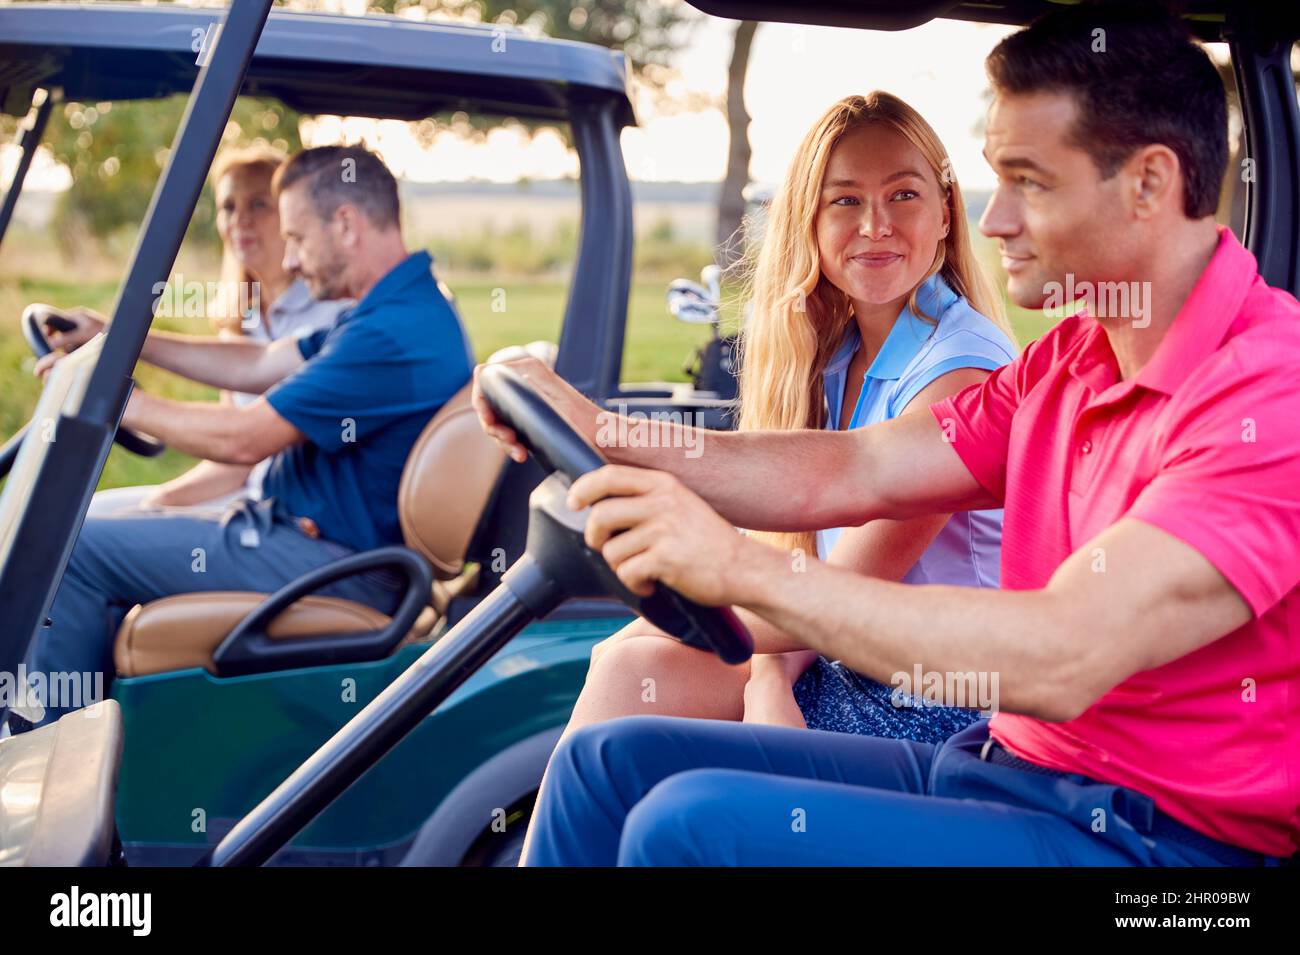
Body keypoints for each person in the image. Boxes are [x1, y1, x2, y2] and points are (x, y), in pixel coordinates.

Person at [477, 2, 1300, 866]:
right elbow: (855, 468)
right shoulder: (1073, 353)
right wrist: (600, 430)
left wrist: (733, 566)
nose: (994, 222)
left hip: (1158, 845)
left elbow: (1066, 653)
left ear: (1149, 184)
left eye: (1030, 182)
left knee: (688, 825)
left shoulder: (1268, 394)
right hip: (1007, 772)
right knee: (608, 763)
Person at [547, 92, 1016, 768]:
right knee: (625, 670)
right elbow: (800, 566)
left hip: (941, 705)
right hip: (844, 658)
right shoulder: (840, 359)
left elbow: (841, 593)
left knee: (630, 671)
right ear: (811, 223)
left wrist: (765, 679)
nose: (876, 225)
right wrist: (768, 675)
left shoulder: (961, 373)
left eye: (904, 195)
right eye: (846, 201)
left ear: (945, 213)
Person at [8, 144, 473, 731]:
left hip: (332, 563)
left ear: (347, 225)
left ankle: (54, 773)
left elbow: (243, 440)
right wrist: (119, 338)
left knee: (67, 547)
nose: (295, 261)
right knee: (87, 533)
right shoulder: (391, 308)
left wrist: (113, 397)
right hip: (295, 537)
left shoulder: (394, 331)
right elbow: (257, 364)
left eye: (298, 239)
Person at [86, 146, 349, 516]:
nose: (240, 220)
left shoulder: (332, 317)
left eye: (258, 205)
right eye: (228, 207)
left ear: (292, 216)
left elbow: (244, 442)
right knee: (82, 515)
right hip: (244, 493)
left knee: (84, 543)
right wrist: (161, 501)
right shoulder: (242, 319)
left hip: (290, 512)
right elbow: (233, 465)